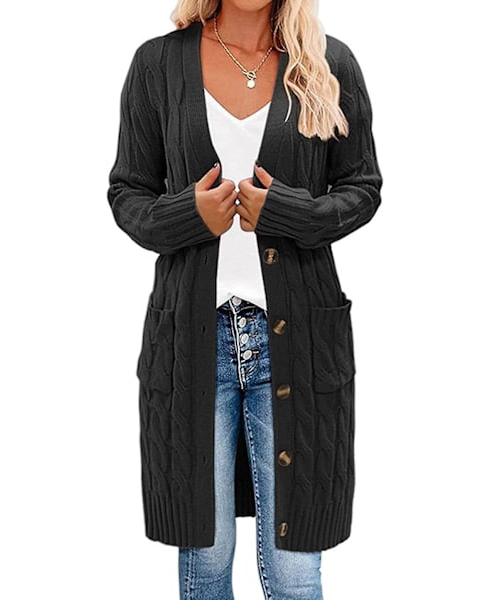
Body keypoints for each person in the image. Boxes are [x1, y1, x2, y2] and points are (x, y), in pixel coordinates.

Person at [107, 0, 383, 598]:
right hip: (192, 341)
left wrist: (287, 212)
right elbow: (128, 192)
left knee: (294, 570)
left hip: (299, 342)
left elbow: (362, 188)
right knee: (206, 557)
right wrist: (189, 216)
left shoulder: (327, 62)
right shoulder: (157, 64)